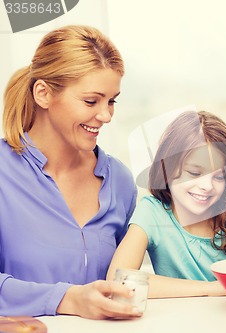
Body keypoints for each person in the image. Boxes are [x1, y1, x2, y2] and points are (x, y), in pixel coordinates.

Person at [0, 25, 139, 319]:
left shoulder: (120, 182)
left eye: (111, 101)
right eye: (91, 101)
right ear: (43, 94)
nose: (105, 115)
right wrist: (67, 299)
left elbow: (125, 280)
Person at [107, 110, 226, 297]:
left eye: (219, 176)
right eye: (194, 173)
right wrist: (213, 288)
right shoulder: (152, 211)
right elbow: (117, 281)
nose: (207, 186)